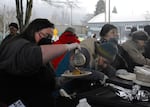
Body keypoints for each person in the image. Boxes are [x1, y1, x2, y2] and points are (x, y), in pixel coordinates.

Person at [0, 18, 80, 107]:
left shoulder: (39, 50)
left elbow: (46, 82)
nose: (47, 40)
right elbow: (33, 56)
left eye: (50, 37)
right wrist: (67, 47)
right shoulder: (19, 44)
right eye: (45, 35)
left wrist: (62, 80)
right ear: (33, 30)